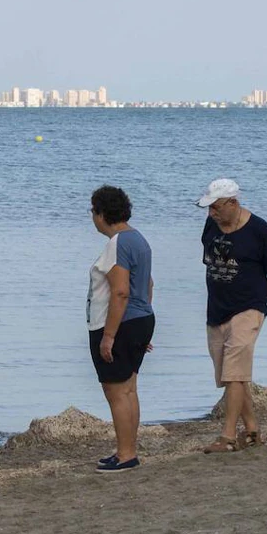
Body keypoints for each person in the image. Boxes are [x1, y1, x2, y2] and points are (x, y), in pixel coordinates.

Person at [196, 178, 267, 453]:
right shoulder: (211, 225)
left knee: (235, 373)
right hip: (217, 309)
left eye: (216, 207)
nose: (212, 213)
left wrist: (259, 301)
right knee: (231, 375)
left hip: (248, 308)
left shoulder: (259, 230)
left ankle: (228, 437)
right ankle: (253, 430)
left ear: (233, 203)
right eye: (209, 208)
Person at [87, 185, 155, 474]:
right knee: (128, 389)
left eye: (93, 211)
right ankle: (126, 450)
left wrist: (110, 336)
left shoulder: (117, 243)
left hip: (119, 322)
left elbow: (120, 292)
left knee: (116, 392)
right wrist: (141, 327)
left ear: (102, 214)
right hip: (141, 319)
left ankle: (126, 454)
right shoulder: (138, 240)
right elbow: (148, 284)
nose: (92, 217)